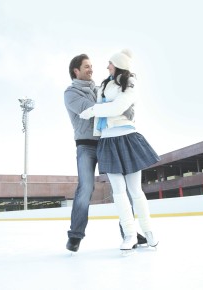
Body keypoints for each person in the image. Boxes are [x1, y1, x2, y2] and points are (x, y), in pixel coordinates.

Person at [64, 54, 147, 252]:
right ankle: (75, 235)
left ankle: (129, 232)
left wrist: (120, 105)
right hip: (85, 145)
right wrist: (117, 107)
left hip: (107, 141)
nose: (91, 69)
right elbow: (93, 109)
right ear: (76, 70)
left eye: (91, 66)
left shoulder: (101, 88)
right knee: (86, 187)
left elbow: (116, 100)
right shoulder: (71, 93)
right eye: (87, 66)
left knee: (123, 188)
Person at [79, 49, 161, 251]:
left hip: (127, 138)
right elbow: (109, 107)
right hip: (107, 139)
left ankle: (149, 232)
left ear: (118, 65)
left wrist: (92, 111)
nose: (107, 66)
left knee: (135, 190)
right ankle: (130, 235)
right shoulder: (104, 85)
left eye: (110, 63)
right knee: (118, 191)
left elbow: (117, 108)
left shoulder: (130, 83)